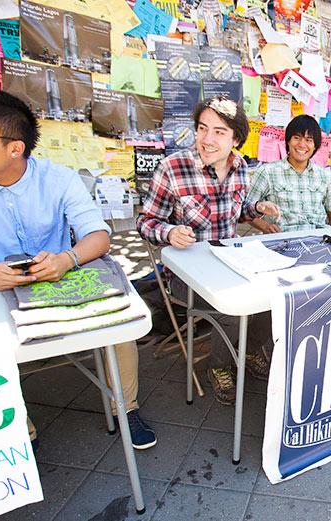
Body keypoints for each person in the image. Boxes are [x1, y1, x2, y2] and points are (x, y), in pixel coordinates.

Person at [0, 88, 157, 449]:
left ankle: (125, 408)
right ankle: (18, 429)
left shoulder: (58, 178)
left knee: (121, 323)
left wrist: (66, 259)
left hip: (57, 278)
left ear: (14, 148)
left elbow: (97, 236)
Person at [137, 96, 280, 405]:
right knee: (232, 303)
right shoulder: (172, 168)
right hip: (186, 274)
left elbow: (237, 210)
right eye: (203, 129)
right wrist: (169, 231)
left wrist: (256, 208)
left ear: (236, 139)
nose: (207, 139)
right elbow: (145, 221)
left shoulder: (240, 167)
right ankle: (221, 367)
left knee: (275, 294)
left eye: (219, 132)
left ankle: (252, 349)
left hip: (230, 261)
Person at [249, 115, 331, 232]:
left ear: (315, 146)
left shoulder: (325, 177)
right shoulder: (267, 172)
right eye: (297, 138)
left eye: (309, 140)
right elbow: (246, 209)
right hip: (283, 243)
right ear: (288, 141)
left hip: (319, 240)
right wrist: (265, 227)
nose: (302, 144)